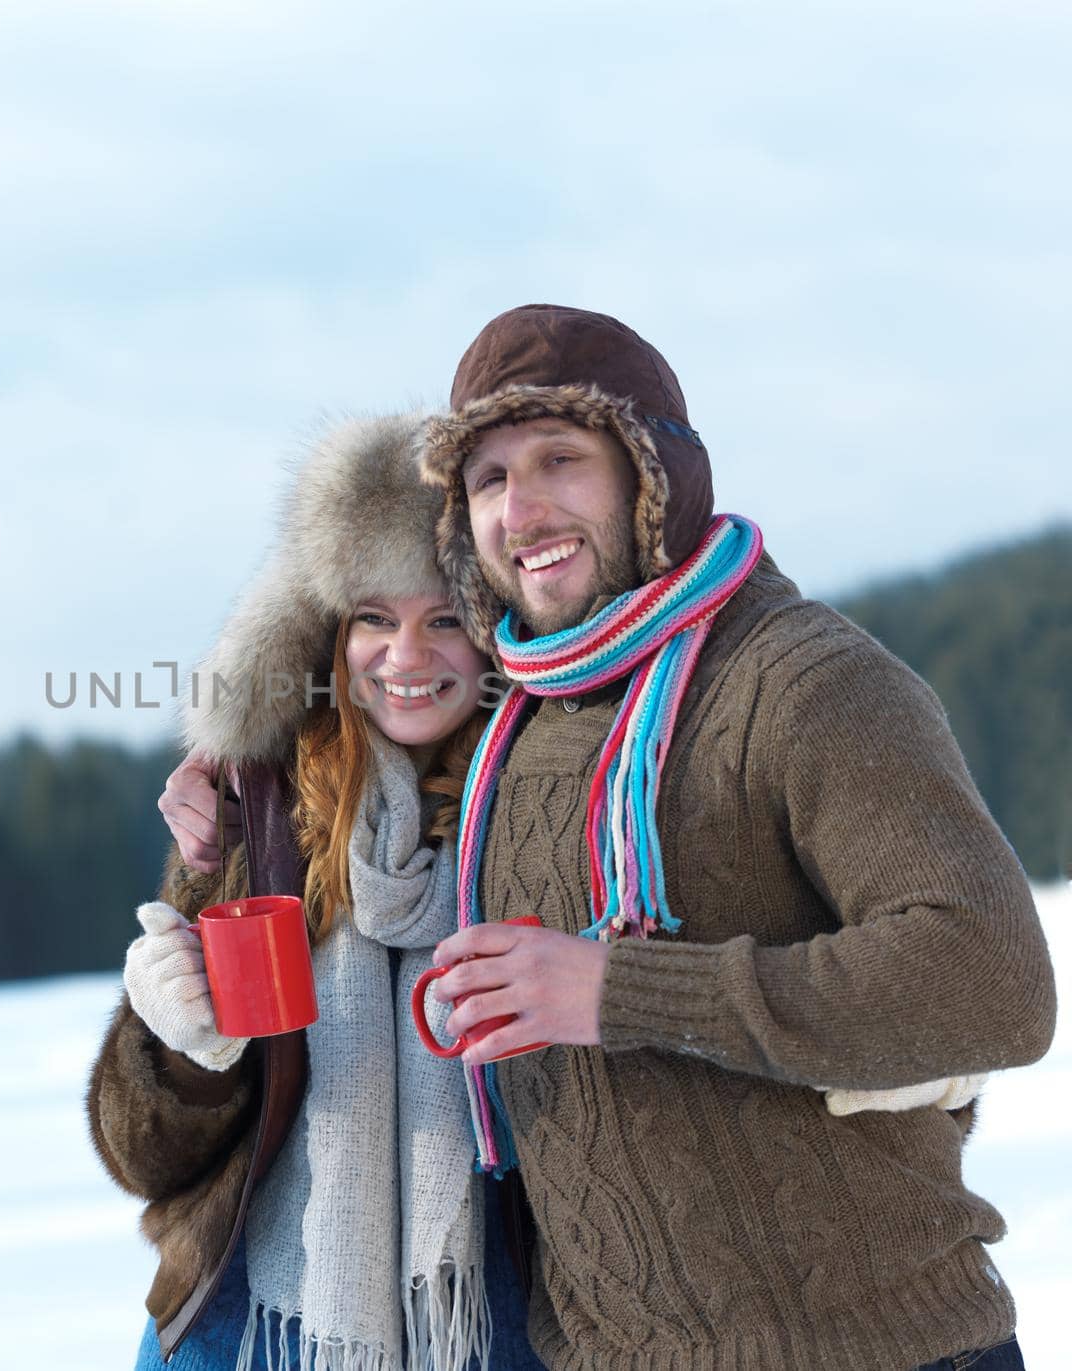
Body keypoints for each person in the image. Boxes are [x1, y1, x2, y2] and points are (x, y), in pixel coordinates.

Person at [163, 305, 1055, 1371]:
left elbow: (991, 979)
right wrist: (240, 770)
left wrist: (616, 992)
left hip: (867, 1344)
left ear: (653, 476)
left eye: (559, 459)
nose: (522, 507)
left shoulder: (804, 679)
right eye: (488, 479)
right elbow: (364, 714)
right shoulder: (522, 719)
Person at [86, 414, 548, 1371]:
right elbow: (144, 1156)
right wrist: (181, 1049)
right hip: (255, 1322)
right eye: (374, 619)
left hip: (497, 1319)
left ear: (498, 629)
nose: (405, 658)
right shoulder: (259, 813)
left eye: (445, 619)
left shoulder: (554, 802)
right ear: (329, 637)